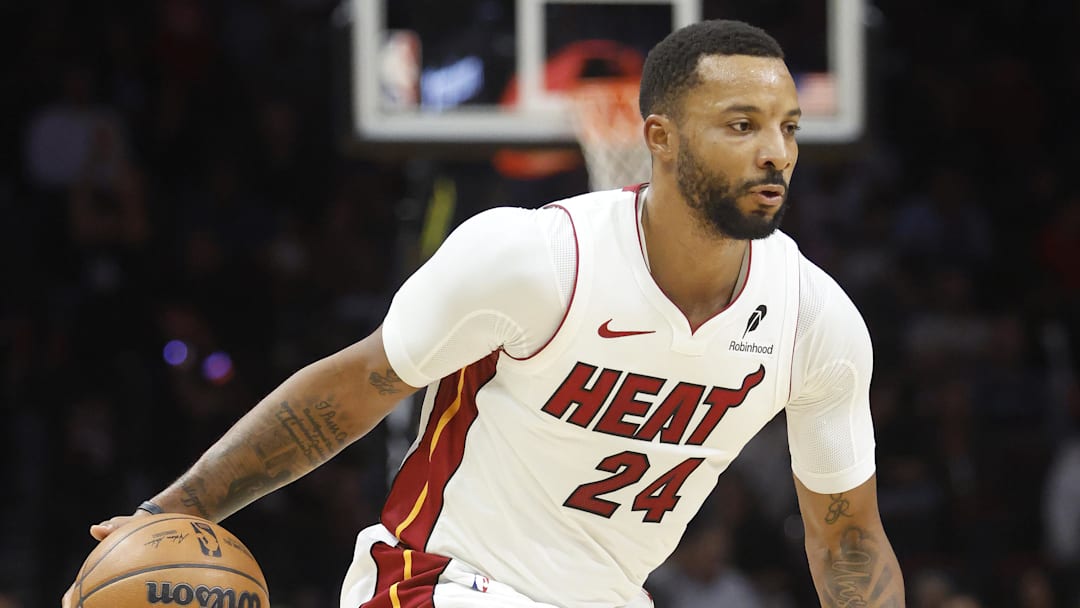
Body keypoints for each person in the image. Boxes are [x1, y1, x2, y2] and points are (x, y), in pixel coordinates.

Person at [64, 19, 905, 607]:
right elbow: (349, 392)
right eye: (742, 124)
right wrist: (175, 511)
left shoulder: (813, 321)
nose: (776, 152)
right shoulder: (534, 260)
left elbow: (845, 541)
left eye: (789, 128)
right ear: (660, 137)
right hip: (442, 583)